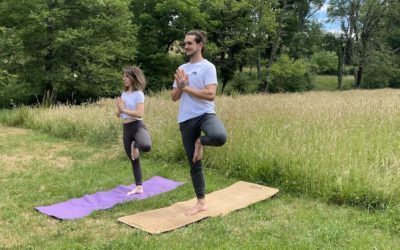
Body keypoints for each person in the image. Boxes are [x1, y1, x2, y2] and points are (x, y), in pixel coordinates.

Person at [171, 30, 227, 216]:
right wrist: (180, 88)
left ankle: (199, 142)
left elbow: (210, 95)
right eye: (185, 43)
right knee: (194, 162)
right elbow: (174, 97)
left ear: (199, 45)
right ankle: (201, 202)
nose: (186, 46)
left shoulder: (208, 67)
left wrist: (187, 88)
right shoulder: (181, 69)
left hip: (205, 114)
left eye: (189, 43)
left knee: (219, 136)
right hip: (186, 119)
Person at [116, 66, 152, 196]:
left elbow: (139, 113)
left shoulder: (139, 94)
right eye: (123, 76)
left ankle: (135, 145)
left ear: (133, 78)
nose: (124, 78)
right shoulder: (123, 94)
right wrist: (119, 109)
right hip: (126, 128)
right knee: (134, 159)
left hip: (137, 126)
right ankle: (139, 187)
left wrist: (123, 110)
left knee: (146, 146)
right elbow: (118, 114)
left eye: (126, 76)